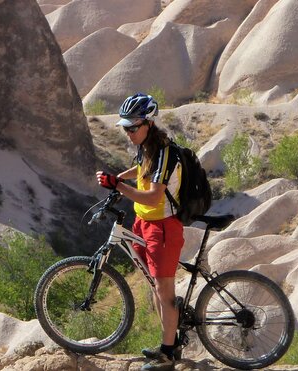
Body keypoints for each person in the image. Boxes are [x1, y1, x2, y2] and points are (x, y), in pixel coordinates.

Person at [96, 93, 184, 371]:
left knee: (163, 291)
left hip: (163, 228)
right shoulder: (146, 147)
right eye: (125, 127)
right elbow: (142, 169)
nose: (128, 132)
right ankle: (169, 342)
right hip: (144, 224)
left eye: (133, 127)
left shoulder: (165, 153)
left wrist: (118, 187)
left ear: (148, 123)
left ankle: (168, 355)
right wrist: (119, 178)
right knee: (155, 288)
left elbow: (153, 197)